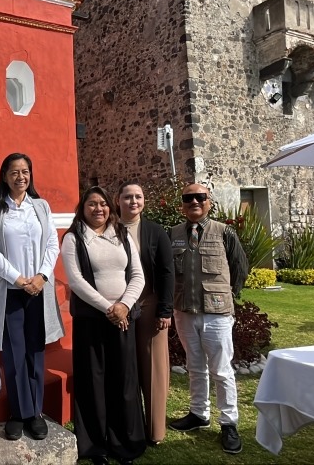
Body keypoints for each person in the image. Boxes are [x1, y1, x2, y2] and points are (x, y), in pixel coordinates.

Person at [0, 153, 62, 441]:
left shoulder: (40, 206)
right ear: (4, 176)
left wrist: (41, 276)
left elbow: (52, 243)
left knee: (35, 352)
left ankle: (35, 412)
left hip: (37, 289)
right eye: (14, 172)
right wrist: (17, 278)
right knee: (14, 355)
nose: (20, 177)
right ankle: (18, 413)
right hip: (10, 291)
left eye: (25, 171)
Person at [61, 186, 146, 465]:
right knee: (92, 382)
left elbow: (137, 275)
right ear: (82, 209)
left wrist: (124, 306)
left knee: (123, 381)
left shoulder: (122, 235)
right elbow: (75, 281)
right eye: (92, 205)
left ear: (110, 207)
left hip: (123, 319)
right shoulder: (74, 238)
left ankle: (125, 443)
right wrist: (109, 308)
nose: (99, 209)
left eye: (103, 204)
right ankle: (95, 445)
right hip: (91, 320)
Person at [167, 184, 248, 454]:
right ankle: (198, 413)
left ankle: (229, 422)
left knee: (222, 370)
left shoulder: (224, 232)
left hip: (216, 314)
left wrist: (228, 295)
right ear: (182, 204)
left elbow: (239, 267)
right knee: (195, 367)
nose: (194, 202)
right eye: (188, 198)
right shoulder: (174, 234)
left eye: (199, 197)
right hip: (184, 311)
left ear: (208, 202)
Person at [116, 182, 174, 445]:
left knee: (153, 369)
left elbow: (166, 272)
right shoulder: (108, 229)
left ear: (144, 202)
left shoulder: (155, 231)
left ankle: (155, 431)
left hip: (150, 306)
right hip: (117, 308)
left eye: (138, 197)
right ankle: (127, 427)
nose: (133, 201)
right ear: (118, 200)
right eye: (128, 197)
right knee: (124, 368)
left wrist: (165, 309)